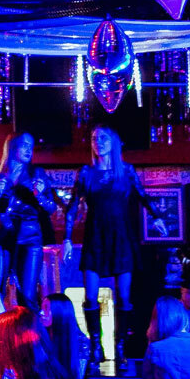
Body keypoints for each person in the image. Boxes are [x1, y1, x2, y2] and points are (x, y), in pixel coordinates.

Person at [69, 127, 148, 361]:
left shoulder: (126, 171)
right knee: (90, 296)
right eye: (94, 138)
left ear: (114, 142)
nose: (98, 142)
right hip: (95, 237)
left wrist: (158, 217)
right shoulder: (86, 172)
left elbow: (142, 195)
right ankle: (96, 345)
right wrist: (67, 238)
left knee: (123, 296)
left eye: (103, 138)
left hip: (121, 237)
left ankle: (120, 345)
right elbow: (72, 205)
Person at [0, 133, 57, 307]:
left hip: (30, 237)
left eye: (31, 146)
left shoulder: (36, 173)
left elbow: (51, 208)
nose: (28, 150)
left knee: (27, 294)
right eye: (24, 145)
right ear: (12, 147)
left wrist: (39, 195)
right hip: (1, 236)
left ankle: (28, 325)